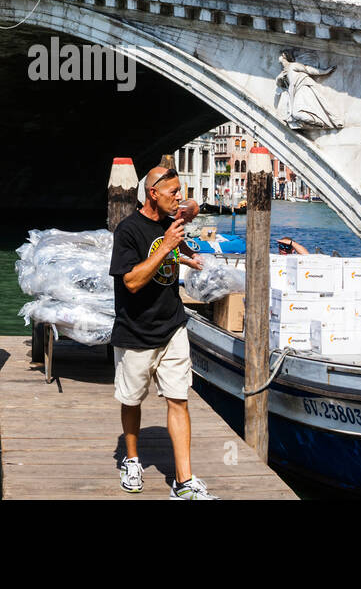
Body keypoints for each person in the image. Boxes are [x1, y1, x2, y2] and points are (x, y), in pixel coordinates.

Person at [110, 164, 216, 499]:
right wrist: (167, 246)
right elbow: (132, 281)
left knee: (179, 399)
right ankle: (131, 459)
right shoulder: (128, 230)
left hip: (172, 325)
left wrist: (187, 254)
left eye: (180, 191)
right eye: (172, 193)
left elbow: (192, 211)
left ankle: (184, 481)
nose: (179, 198)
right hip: (136, 329)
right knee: (132, 400)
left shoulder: (173, 222)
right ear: (152, 193)